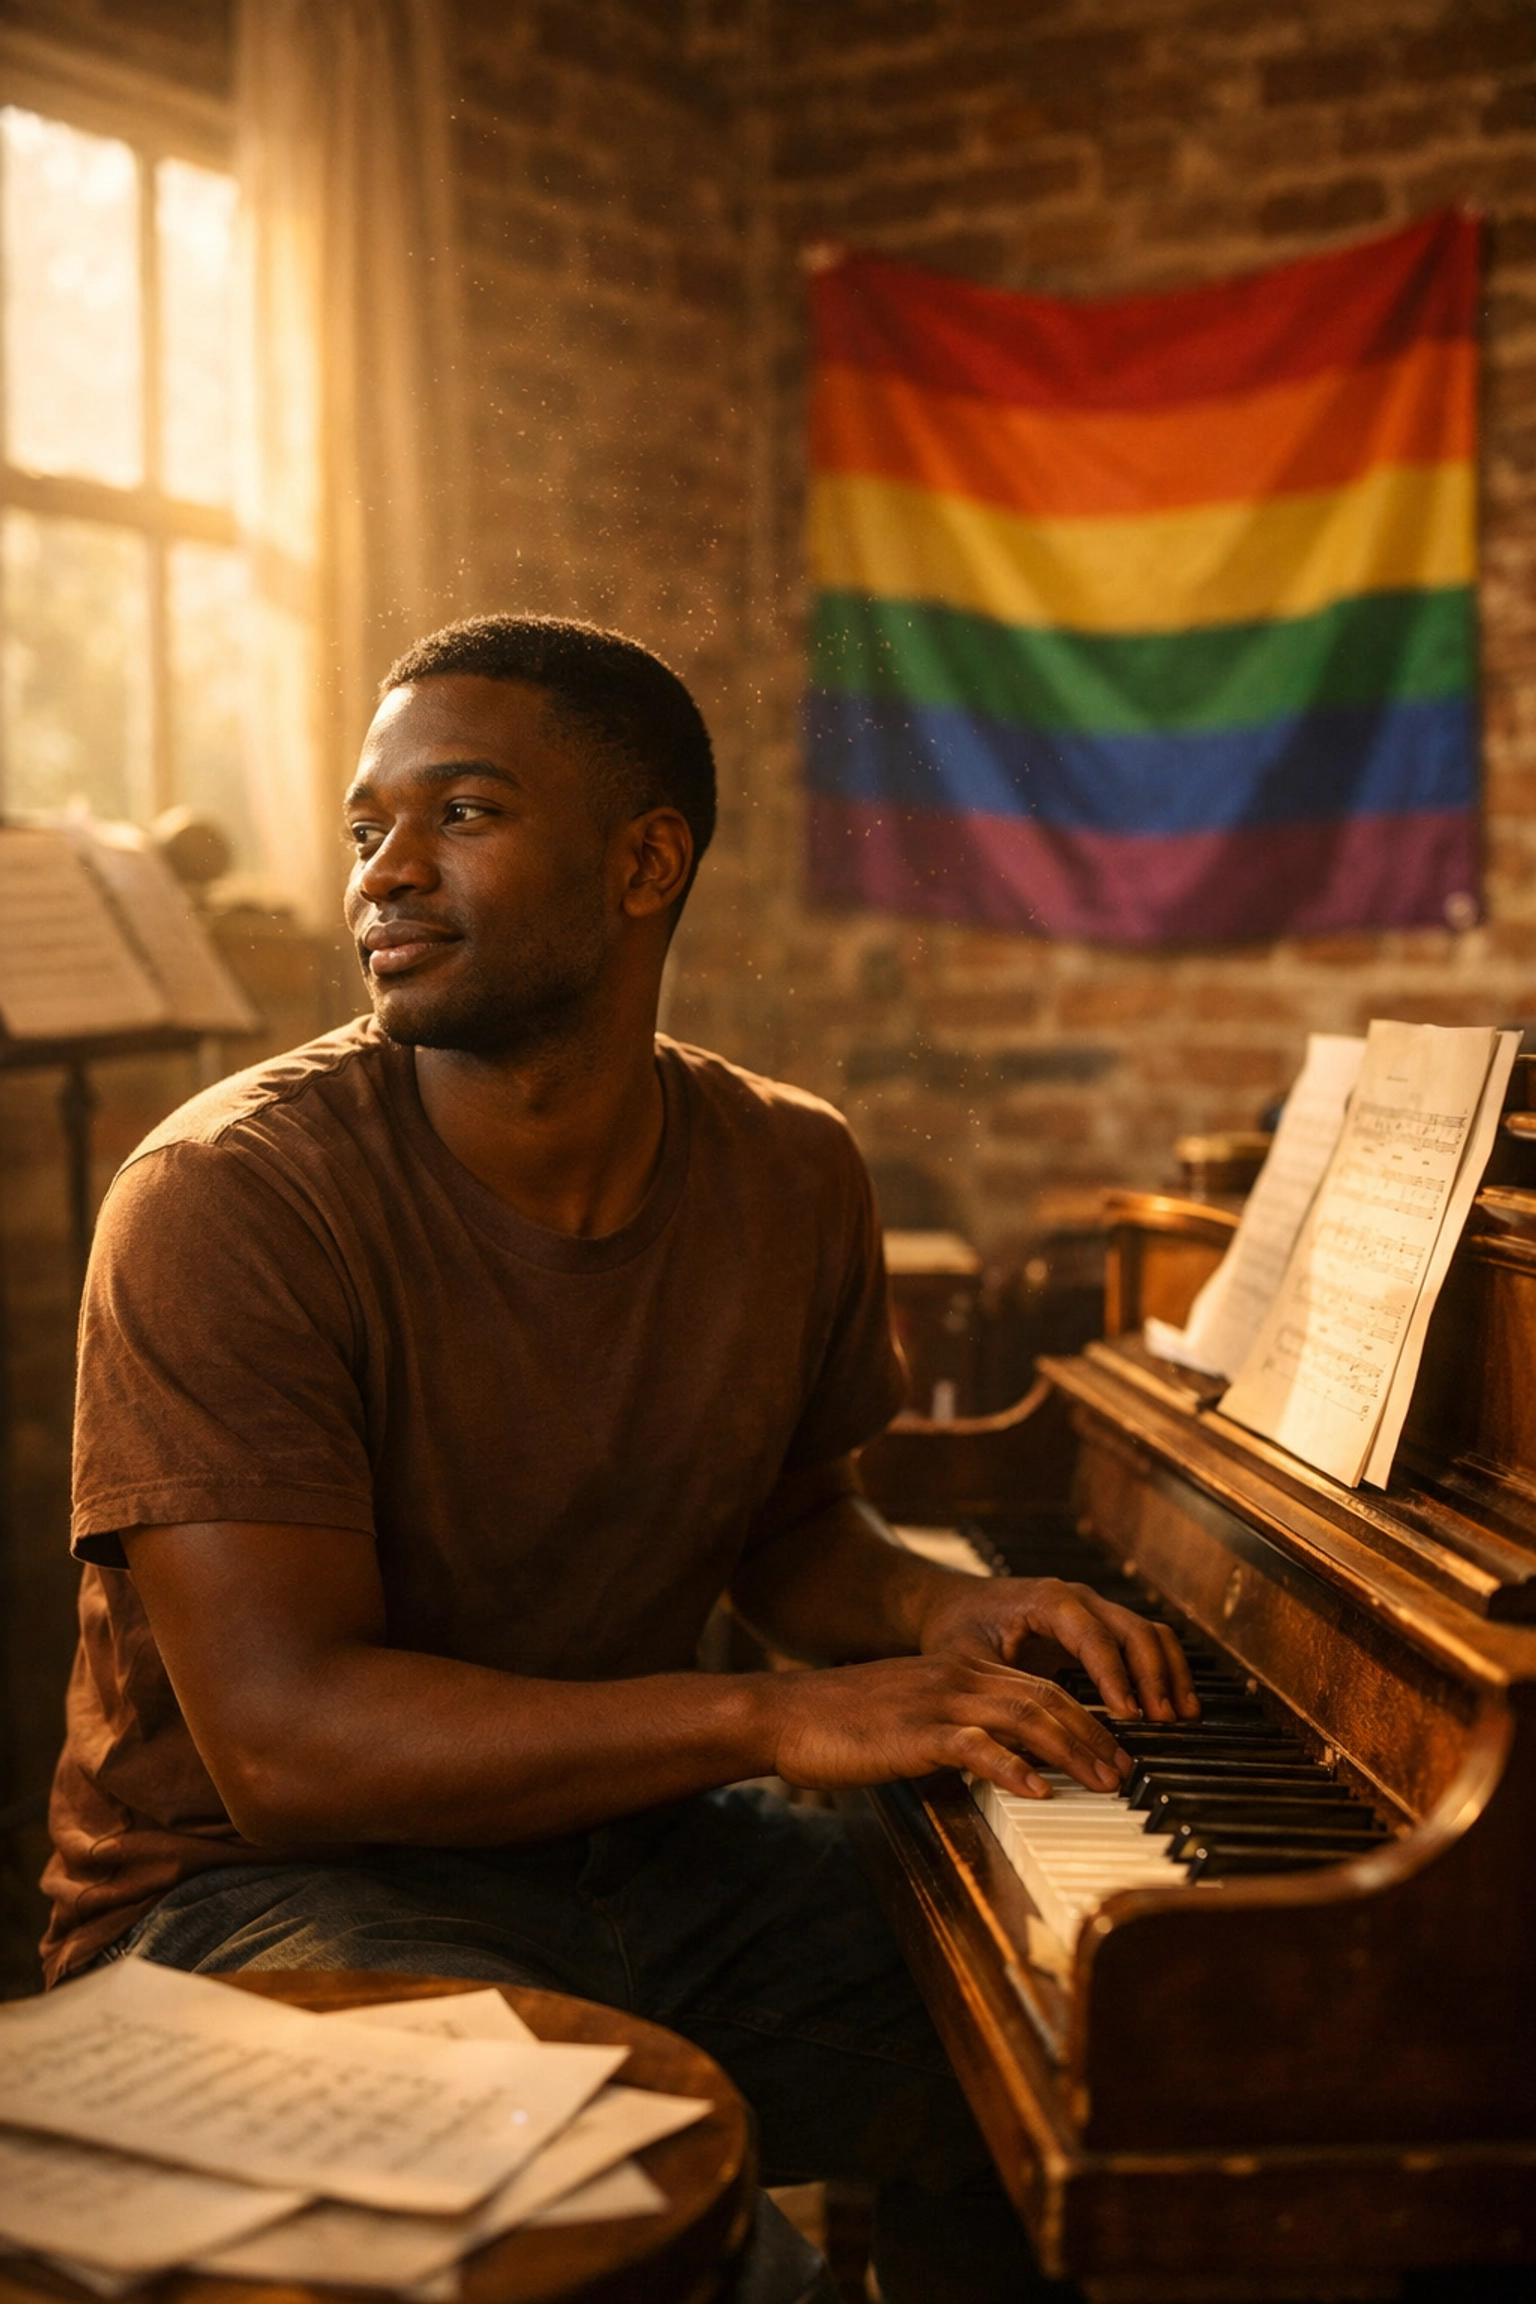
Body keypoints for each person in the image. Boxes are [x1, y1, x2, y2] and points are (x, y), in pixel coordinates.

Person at [44, 615, 1197, 2304]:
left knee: (1122, 2052)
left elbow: (795, 1533)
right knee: (721, 2272)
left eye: (465, 814)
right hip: (258, 1901)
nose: (387, 874)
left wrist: (931, 1613)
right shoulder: (225, 1198)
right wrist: (770, 1716)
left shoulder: (795, 1169)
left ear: (647, 859)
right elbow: (290, 1747)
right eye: (370, 826)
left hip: (640, 1848)